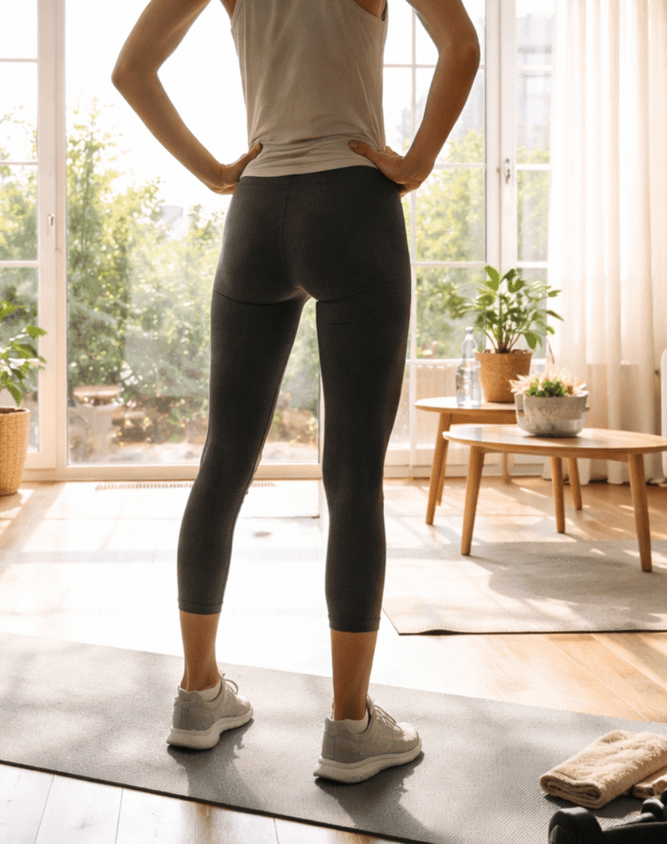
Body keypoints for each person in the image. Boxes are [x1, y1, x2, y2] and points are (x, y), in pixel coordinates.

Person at [113, 0, 479, 783]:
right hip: (352, 206)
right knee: (352, 476)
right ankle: (350, 727)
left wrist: (215, 171)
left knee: (222, 466)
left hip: (257, 214)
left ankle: (197, 694)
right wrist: (414, 163)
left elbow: (131, 69)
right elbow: (462, 47)